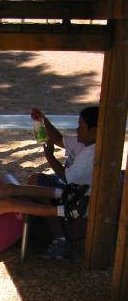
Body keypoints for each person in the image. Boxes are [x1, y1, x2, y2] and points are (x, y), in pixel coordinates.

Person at [27, 106, 99, 259]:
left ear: (94, 131)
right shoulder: (83, 142)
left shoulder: (91, 154)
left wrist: (49, 156)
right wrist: (43, 120)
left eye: (81, 127)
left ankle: (59, 240)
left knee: (37, 187)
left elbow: (66, 178)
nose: (77, 130)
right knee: (34, 181)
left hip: (76, 197)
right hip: (69, 186)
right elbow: (58, 138)